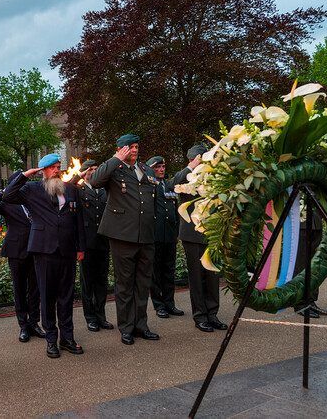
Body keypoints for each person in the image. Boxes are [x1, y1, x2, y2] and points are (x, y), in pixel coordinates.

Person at [2, 154, 85, 359]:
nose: (57, 170)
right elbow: (7, 196)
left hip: (67, 250)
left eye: (58, 166)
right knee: (47, 296)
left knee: (66, 297)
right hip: (44, 250)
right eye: (52, 167)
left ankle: (67, 338)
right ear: (43, 171)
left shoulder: (71, 189)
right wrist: (24, 176)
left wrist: (81, 247)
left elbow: (79, 222)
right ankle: (51, 340)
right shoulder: (32, 190)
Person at [91, 134, 161, 345]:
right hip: (123, 235)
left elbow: (152, 199)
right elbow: (94, 181)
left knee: (142, 283)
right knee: (124, 284)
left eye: (136, 146)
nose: (134, 150)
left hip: (146, 235)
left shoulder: (146, 170)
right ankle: (126, 328)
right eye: (129, 147)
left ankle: (141, 325)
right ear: (120, 149)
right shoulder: (114, 168)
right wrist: (115, 159)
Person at [0, 172, 45, 343]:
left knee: (35, 289)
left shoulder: (30, 198)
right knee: (19, 289)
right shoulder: (6, 201)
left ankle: (34, 323)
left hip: (35, 249)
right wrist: (3, 192)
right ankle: (23, 326)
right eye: (20, 184)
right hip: (16, 250)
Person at [176, 144, 228, 333]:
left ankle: (212, 314)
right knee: (197, 277)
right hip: (192, 235)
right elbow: (174, 183)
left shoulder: (213, 177)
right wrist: (192, 166)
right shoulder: (186, 178)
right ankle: (200, 316)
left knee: (212, 275)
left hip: (212, 233)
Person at [147, 155, 193, 319]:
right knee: (156, 272)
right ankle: (159, 305)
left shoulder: (168, 185)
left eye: (162, 167)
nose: (160, 170)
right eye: (157, 167)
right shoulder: (149, 186)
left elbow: (173, 210)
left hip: (169, 236)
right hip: (155, 236)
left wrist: (176, 232)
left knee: (169, 270)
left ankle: (169, 303)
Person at [75, 160, 114, 332]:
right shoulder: (79, 190)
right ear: (84, 172)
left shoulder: (105, 190)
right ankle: (90, 317)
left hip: (103, 242)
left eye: (96, 169)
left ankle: (101, 316)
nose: (94, 172)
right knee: (87, 282)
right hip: (87, 244)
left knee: (101, 282)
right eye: (90, 170)